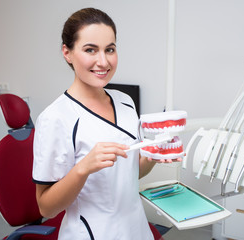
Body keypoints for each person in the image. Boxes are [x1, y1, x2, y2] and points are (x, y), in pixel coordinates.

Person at [32, 8, 179, 240]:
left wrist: (152, 154)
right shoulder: (56, 118)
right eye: (90, 50)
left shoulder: (125, 102)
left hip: (136, 227)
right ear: (67, 53)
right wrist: (83, 168)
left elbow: (128, 174)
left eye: (110, 49)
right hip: (91, 232)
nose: (103, 61)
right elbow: (46, 208)